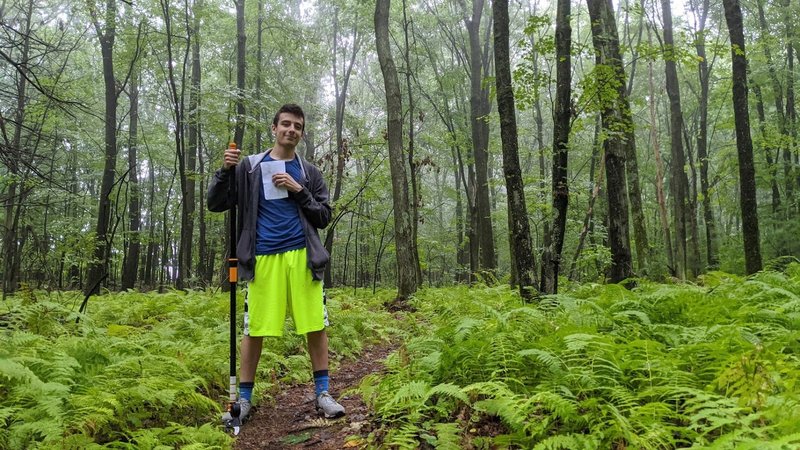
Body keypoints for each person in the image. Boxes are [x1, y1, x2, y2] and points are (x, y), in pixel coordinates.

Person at [208, 103, 345, 423]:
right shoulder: (250, 167)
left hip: (303, 256)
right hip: (263, 258)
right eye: (286, 124)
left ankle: (323, 393)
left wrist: (299, 191)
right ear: (274, 128)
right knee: (254, 328)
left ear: (301, 132)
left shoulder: (309, 172)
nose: (291, 130)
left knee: (315, 324)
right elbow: (216, 203)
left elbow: (324, 216)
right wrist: (224, 171)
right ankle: (243, 400)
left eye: (297, 126)